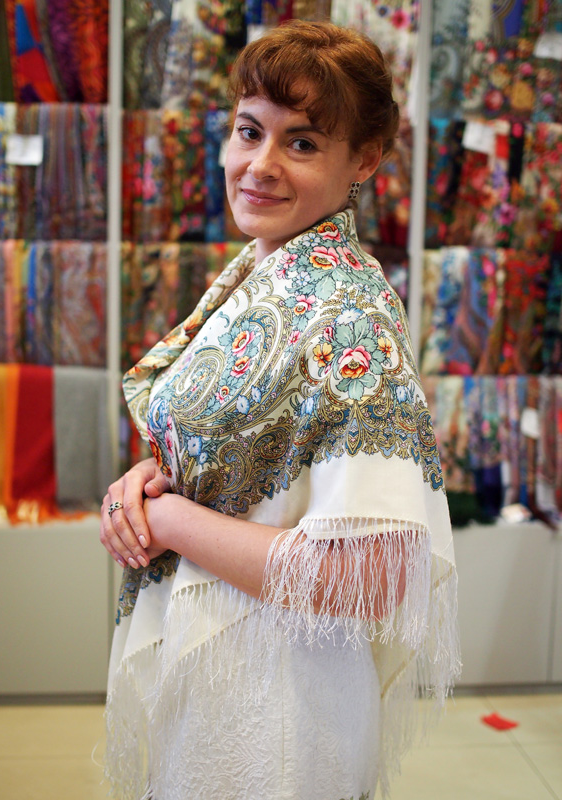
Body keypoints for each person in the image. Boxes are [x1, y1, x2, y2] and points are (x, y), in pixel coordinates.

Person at [101, 19, 460, 800]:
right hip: (225, 677)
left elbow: (370, 574)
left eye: (301, 143)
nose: (259, 165)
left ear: (363, 160)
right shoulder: (263, 272)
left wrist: (169, 522)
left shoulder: (348, 311)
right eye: (248, 131)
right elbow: (246, 456)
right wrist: (148, 484)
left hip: (280, 713)